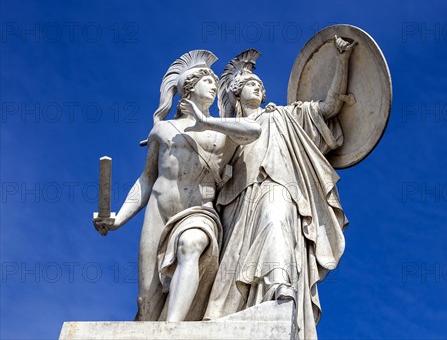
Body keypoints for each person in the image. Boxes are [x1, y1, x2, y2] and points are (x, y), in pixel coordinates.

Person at [201, 37, 356, 339]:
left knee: (275, 219)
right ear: (236, 93)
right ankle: (236, 311)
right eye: (252, 84)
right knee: (232, 266)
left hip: (278, 186)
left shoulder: (285, 115)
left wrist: (341, 60)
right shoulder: (227, 131)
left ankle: (279, 285)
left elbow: (330, 106)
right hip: (237, 202)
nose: (260, 87)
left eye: (261, 84)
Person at [93, 50, 261, 322]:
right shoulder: (162, 130)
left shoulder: (222, 129)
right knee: (147, 301)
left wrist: (205, 121)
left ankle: (173, 330)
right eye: (208, 81)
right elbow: (147, 179)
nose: (214, 86)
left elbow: (254, 131)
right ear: (190, 88)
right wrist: (118, 219)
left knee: (190, 245)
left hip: (199, 210)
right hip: (159, 211)